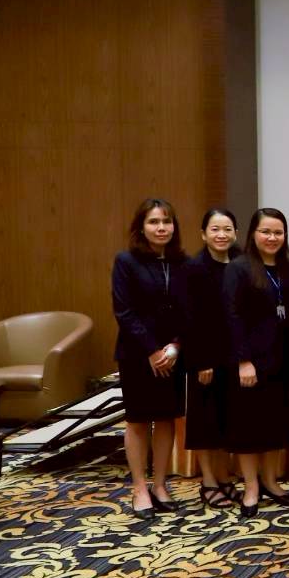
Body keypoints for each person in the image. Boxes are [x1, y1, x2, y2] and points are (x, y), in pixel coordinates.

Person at [223, 208, 289, 517]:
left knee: (276, 426)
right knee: (249, 428)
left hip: (282, 360)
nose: (272, 238)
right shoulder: (239, 268)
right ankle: (251, 487)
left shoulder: (288, 269)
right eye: (266, 232)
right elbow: (232, 316)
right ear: (253, 235)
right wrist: (243, 360)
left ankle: (271, 481)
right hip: (251, 362)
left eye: (278, 232)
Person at [112, 198, 187, 519]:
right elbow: (124, 311)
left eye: (166, 221)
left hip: (173, 355)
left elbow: (190, 310)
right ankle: (139, 488)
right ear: (141, 227)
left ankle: (160, 485)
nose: (161, 228)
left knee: (167, 419)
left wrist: (176, 346)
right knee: (139, 420)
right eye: (154, 222)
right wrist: (153, 350)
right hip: (138, 355)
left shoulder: (183, 262)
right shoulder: (126, 261)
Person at [182, 208, 240, 509]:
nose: (221, 235)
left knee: (226, 420)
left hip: (233, 355)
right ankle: (208, 482)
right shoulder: (194, 268)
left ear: (236, 233)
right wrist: (201, 361)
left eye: (227, 229)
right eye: (215, 229)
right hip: (205, 358)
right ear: (203, 234)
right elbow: (189, 320)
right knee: (205, 422)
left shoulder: (241, 262)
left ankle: (223, 476)